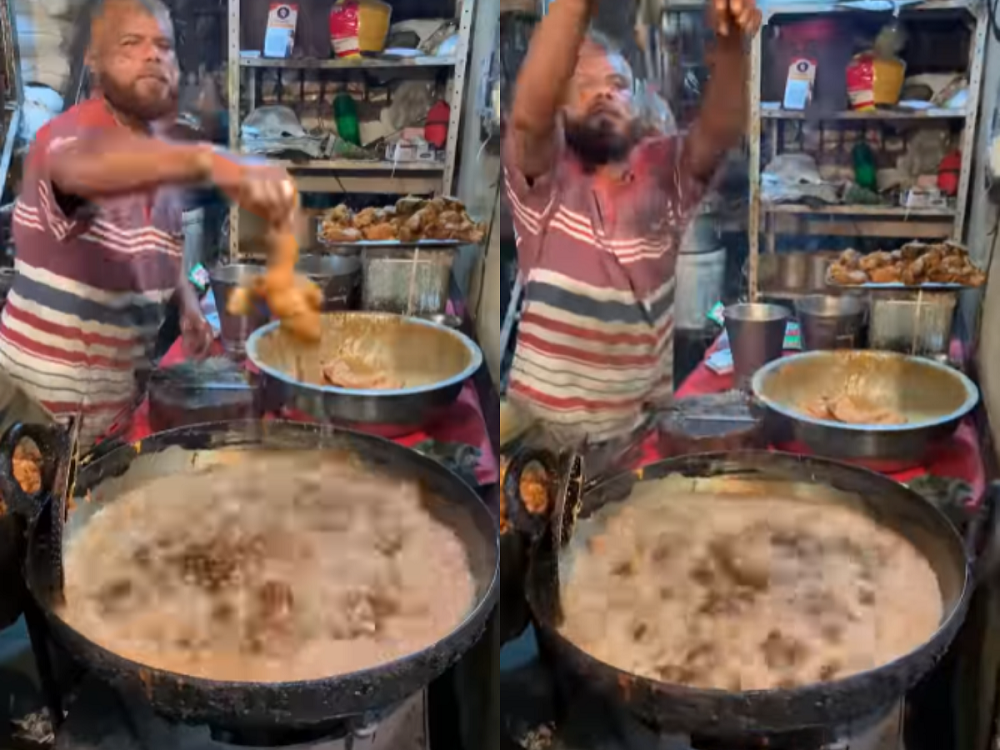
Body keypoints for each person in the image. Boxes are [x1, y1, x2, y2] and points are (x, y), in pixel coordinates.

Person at [0, 0, 295, 445]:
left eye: (162, 45)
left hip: (109, 417)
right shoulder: (67, 137)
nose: (152, 55)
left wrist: (187, 306)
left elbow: (158, 244)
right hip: (34, 420)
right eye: (130, 43)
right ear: (94, 57)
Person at [505, 0, 760, 447]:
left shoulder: (665, 175)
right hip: (540, 443)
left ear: (639, 104)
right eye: (582, 84)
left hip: (636, 442)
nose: (602, 93)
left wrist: (732, 40)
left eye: (617, 84)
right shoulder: (544, 184)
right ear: (560, 107)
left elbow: (719, 132)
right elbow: (528, 119)